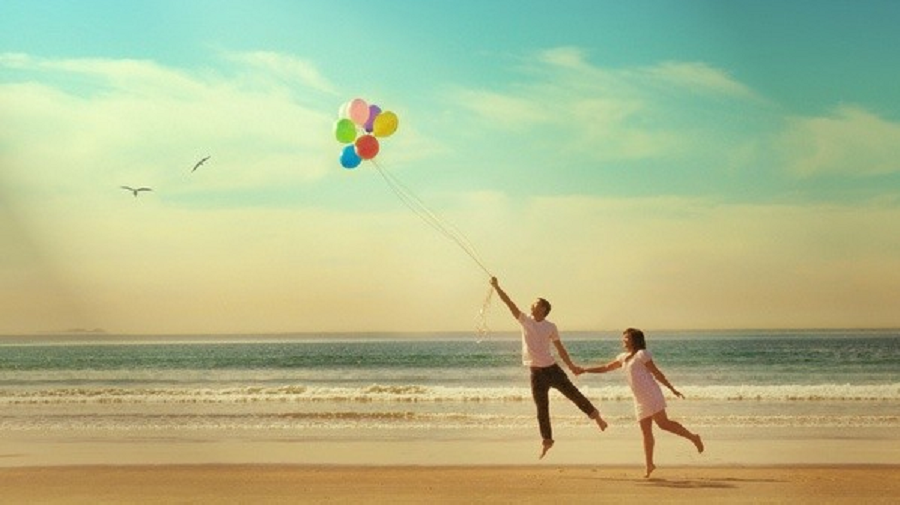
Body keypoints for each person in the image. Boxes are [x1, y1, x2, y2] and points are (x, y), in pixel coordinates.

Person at [490, 277, 607, 459]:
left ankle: (596, 416)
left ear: (543, 309)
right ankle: (547, 440)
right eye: (533, 304)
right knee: (541, 408)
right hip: (536, 373)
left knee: (574, 394)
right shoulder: (525, 320)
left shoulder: (550, 326)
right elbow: (509, 303)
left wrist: (571, 366)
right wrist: (497, 287)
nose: (532, 306)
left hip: (552, 370)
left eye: (536, 304)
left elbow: (560, 349)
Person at [579, 328, 703, 477]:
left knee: (663, 424)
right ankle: (649, 464)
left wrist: (672, 389)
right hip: (639, 399)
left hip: (652, 395)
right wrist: (585, 370)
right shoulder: (623, 357)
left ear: (634, 340)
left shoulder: (642, 354)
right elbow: (605, 368)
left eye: (626, 338)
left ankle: (693, 437)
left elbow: (657, 373)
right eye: (624, 338)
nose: (623, 340)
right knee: (646, 432)